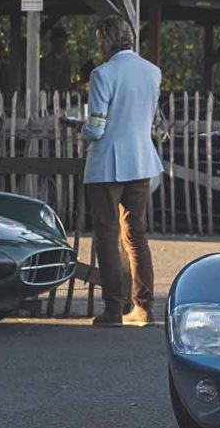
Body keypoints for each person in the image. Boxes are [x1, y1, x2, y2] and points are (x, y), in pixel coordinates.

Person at [62, 16, 162, 327]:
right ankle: (144, 306)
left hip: (107, 163)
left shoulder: (102, 74)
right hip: (142, 161)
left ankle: (112, 308)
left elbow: (96, 129)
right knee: (137, 234)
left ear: (105, 39)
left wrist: (76, 124)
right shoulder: (152, 72)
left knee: (106, 234)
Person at [41, 26, 72, 92]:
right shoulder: (45, 61)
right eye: (60, 41)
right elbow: (44, 81)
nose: (63, 44)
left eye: (64, 41)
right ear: (54, 42)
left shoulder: (66, 61)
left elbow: (68, 82)